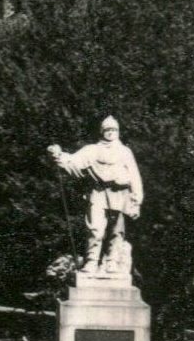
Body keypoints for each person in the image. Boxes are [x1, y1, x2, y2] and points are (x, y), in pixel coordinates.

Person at [48, 115, 144, 276]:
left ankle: (112, 261)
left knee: (117, 230)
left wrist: (136, 201)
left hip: (120, 194)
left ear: (118, 132)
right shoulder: (92, 150)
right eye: (107, 130)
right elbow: (73, 162)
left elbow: (135, 177)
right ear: (102, 131)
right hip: (98, 192)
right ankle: (92, 261)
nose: (110, 133)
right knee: (95, 229)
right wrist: (58, 156)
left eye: (113, 129)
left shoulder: (125, 152)